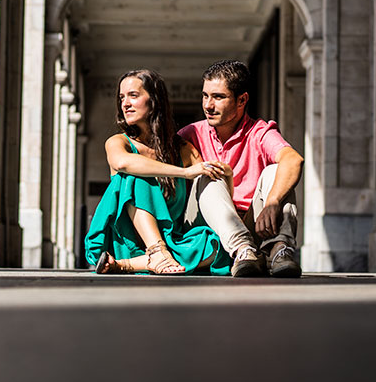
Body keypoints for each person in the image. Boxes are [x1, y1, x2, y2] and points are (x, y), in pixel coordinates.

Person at [84, 69, 233, 275]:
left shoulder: (182, 149)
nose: (125, 103)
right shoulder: (119, 143)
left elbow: (210, 192)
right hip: (127, 240)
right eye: (121, 98)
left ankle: (129, 264)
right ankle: (155, 252)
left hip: (173, 240)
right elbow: (123, 163)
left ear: (154, 100)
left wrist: (228, 177)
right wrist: (185, 173)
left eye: (133, 96)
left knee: (215, 245)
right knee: (135, 174)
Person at [178, 60, 304, 278]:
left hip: (255, 229)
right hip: (206, 232)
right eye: (205, 95)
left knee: (276, 171)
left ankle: (279, 250)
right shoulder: (191, 134)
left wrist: (272, 202)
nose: (208, 105)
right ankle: (242, 250)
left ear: (241, 100)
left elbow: (293, 160)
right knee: (209, 173)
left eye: (218, 97)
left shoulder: (259, 132)